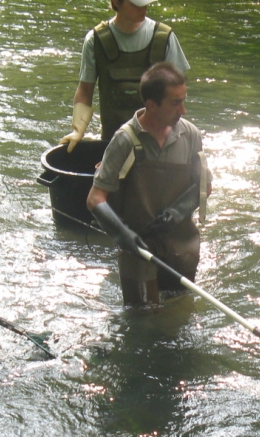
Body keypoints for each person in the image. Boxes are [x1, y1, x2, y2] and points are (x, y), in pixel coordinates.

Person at [86, 63, 209, 305]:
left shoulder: (191, 135)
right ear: (152, 105)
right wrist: (123, 235)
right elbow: (95, 198)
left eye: (184, 100)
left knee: (179, 313)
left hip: (181, 244)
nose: (183, 110)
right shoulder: (125, 140)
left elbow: (204, 188)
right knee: (144, 319)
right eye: (175, 103)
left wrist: (176, 213)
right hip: (138, 247)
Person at [61, 0, 191, 150]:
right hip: (112, 141)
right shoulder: (95, 40)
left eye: (145, 2)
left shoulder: (164, 38)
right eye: (136, 4)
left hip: (158, 142)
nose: (143, 8)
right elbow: (85, 88)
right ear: (116, 1)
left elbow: (178, 93)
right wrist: (77, 130)